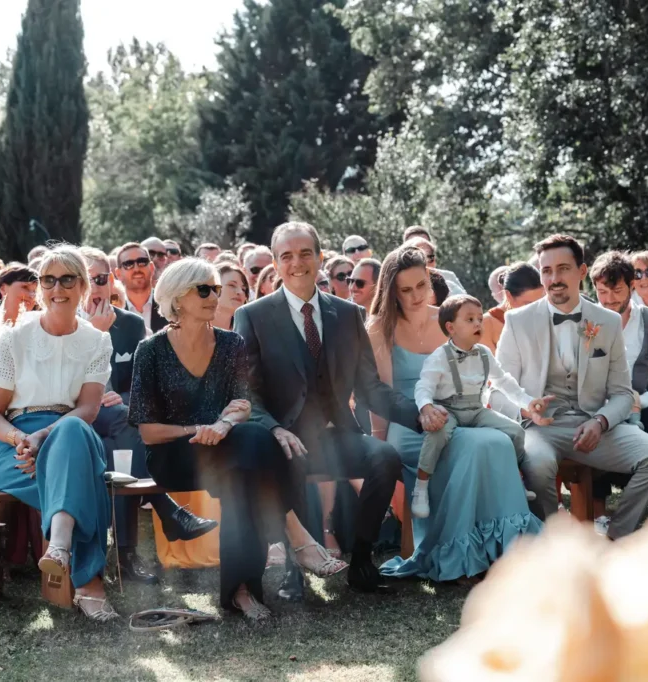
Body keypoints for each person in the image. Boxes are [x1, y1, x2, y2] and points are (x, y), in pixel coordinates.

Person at [132, 258, 338, 621]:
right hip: (174, 457)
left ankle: (242, 592)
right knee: (257, 446)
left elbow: (242, 404)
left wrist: (223, 426)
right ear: (177, 298)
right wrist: (199, 430)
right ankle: (296, 534)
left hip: (231, 450)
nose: (216, 295)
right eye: (204, 289)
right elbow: (148, 431)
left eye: (216, 287)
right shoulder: (150, 351)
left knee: (248, 468)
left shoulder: (231, 344)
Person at [234, 222, 425, 594]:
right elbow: (246, 391)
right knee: (278, 463)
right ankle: (293, 565)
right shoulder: (253, 316)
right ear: (275, 263)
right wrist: (274, 428)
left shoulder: (349, 315)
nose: (297, 262)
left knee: (383, 456)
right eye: (286, 256)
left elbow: (370, 388)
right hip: (283, 438)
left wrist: (420, 416)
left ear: (320, 257)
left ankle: (362, 557)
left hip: (337, 435)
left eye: (306, 253)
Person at [363, 246, 541, 582]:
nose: (416, 296)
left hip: (461, 413)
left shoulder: (446, 319)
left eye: (421, 286)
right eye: (406, 289)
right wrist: (380, 443)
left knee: (498, 441)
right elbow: (382, 396)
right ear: (391, 291)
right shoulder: (379, 328)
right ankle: (457, 553)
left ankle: (501, 550)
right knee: (475, 446)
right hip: (411, 423)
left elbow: (479, 370)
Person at [496, 234, 648, 540]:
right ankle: (557, 544)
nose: (554, 278)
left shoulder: (607, 321)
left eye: (563, 268)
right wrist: (526, 407)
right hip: (540, 428)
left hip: (594, 425)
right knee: (537, 467)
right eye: (547, 270)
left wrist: (601, 420)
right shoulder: (517, 321)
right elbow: (498, 388)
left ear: (581, 271)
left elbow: (621, 392)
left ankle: (616, 537)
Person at [0, 245, 118, 622]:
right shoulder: (15, 338)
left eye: (67, 279)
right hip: (17, 444)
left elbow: (89, 409)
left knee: (73, 430)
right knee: (85, 481)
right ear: (40, 287)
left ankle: (58, 547)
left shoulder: (97, 340)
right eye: (48, 280)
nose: (58, 288)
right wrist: (21, 440)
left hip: (71, 433)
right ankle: (89, 585)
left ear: (84, 285)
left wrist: (45, 436)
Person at [78, 247, 217, 583]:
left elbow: (147, 384)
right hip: (74, 416)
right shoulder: (59, 324)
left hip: (117, 416)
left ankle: (126, 555)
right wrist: (96, 335)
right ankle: (167, 512)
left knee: (128, 436)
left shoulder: (128, 323)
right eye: (84, 280)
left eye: (99, 279)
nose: (93, 287)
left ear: (111, 280)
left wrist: (121, 396)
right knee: (129, 431)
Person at [411, 294, 550, 518]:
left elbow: (504, 381)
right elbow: (423, 386)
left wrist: (527, 402)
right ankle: (421, 487)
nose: (478, 323)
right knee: (437, 434)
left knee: (515, 431)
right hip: (449, 409)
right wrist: (427, 407)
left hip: (476, 409)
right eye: (470, 319)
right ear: (451, 327)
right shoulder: (440, 357)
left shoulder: (484, 353)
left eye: (479, 318)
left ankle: (514, 479)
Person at [590, 251, 648, 432]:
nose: (609, 300)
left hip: (644, 413)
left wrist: (638, 401)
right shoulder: (585, 322)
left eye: (617, 291)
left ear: (632, 286)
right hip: (596, 413)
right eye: (602, 292)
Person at [479, 262, 544, 354]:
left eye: (539, 303)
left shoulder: (543, 317)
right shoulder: (485, 325)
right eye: (528, 304)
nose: (534, 309)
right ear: (508, 295)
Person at [115, 242, 168, 333]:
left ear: (151, 267)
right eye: (128, 264)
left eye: (142, 262)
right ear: (118, 274)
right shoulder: (113, 307)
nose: (136, 269)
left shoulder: (168, 303)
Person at [402, 226, 466, 293]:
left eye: (428, 256)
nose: (421, 247)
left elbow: (465, 300)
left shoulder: (449, 280)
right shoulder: (397, 282)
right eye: (412, 245)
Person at [214, 263, 249, 330]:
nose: (240, 292)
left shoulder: (247, 331)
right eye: (232, 285)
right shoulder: (193, 330)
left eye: (243, 289)